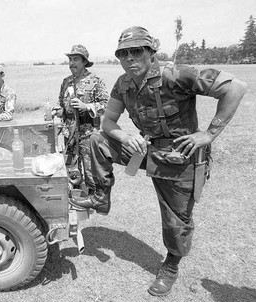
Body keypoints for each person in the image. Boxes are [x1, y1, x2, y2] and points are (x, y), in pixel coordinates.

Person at [70, 26, 247, 296]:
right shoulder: (123, 83)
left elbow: (235, 88)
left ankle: (171, 266)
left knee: (176, 220)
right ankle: (100, 196)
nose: (130, 58)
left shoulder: (175, 74)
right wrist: (125, 137)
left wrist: (208, 134)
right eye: (123, 54)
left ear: (151, 52)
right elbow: (108, 122)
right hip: (145, 149)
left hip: (179, 157)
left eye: (137, 51)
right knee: (97, 140)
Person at [57, 44, 109, 201]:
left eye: (76, 59)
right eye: (70, 59)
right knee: (72, 168)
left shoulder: (95, 81)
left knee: (90, 169)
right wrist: (57, 111)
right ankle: (75, 198)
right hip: (70, 133)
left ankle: (95, 200)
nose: (72, 63)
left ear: (84, 61)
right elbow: (61, 105)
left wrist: (86, 107)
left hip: (88, 134)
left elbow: (106, 105)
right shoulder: (66, 82)